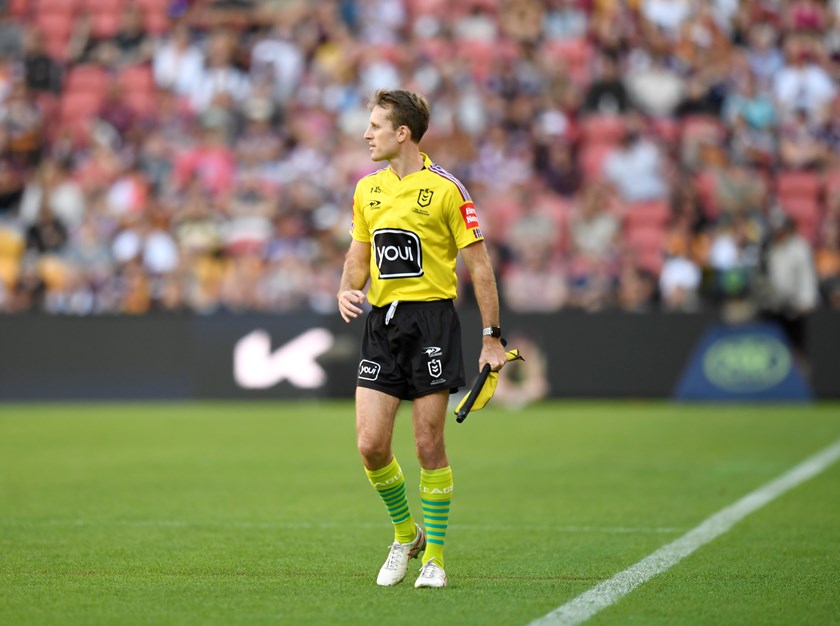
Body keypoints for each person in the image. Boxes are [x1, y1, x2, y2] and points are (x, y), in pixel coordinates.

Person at [337, 89, 507, 589]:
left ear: (402, 132)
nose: (367, 134)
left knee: (428, 443)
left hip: (433, 323)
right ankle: (405, 533)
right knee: (370, 445)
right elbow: (358, 251)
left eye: (375, 126)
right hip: (381, 323)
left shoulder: (448, 190)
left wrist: (492, 338)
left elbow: (479, 267)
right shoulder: (366, 189)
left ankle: (434, 558)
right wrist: (347, 289)